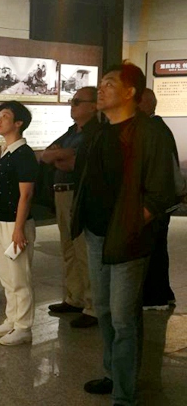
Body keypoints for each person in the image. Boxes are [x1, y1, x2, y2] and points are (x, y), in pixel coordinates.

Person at [71, 63, 175, 405]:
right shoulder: (100, 131)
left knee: (123, 316)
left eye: (109, 84)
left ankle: (125, 394)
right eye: (100, 83)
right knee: (103, 309)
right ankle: (113, 373)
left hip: (128, 237)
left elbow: (163, 190)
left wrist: (135, 222)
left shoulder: (150, 132)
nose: (100, 89)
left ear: (130, 92)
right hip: (96, 233)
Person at [42, 87, 99, 328]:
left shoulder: (96, 132)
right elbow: (46, 155)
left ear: (93, 106)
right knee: (68, 248)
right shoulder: (71, 132)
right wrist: (62, 155)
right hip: (61, 193)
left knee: (82, 249)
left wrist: (64, 156)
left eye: (77, 102)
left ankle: (92, 305)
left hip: (78, 193)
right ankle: (75, 297)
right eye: (72, 101)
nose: (72, 106)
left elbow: (77, 163)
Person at [0, 101, 38, 346]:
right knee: (6, 276)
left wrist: (18, 229)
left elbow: (26, 195)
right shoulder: (6, 152)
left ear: (18, 123)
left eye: (5, 116)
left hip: (15, 223)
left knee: (19, 277)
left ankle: (23, 326)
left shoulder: (23, 154)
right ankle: (12, 319)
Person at [139, 88, 178, 310]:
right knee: (157, 247)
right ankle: (162, 293)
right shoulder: (159, 128)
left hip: (155, 202)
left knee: (153, 249)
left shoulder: (154, 130)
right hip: (159, 201)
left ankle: (155, 297)